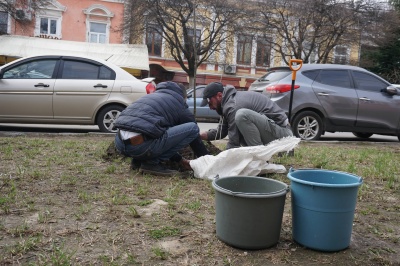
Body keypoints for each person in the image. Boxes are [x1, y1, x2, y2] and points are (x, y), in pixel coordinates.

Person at [114, 81, 209, 176]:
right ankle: (150, 164)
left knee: (152, 132)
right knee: (193, 128)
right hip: (141, 147)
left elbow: (165, 140)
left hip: (120, 144)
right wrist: (207, 161)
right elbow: (195, 137)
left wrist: (179, 160)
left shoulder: (152, 97)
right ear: (183, 96)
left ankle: (137, 161)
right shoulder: (178, 103)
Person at [199, 82, 292, 149]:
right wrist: (204, 135)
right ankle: (258, 156)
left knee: (241, 115)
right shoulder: (228, 102)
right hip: (274, 131)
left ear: (219, 95)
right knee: (240, 126)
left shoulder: (233, 106)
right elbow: (222, 132)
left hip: (283, 134)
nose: (210, 107)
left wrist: (220, 162)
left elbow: (233, 143)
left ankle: (258, 159)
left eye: (210, 103)